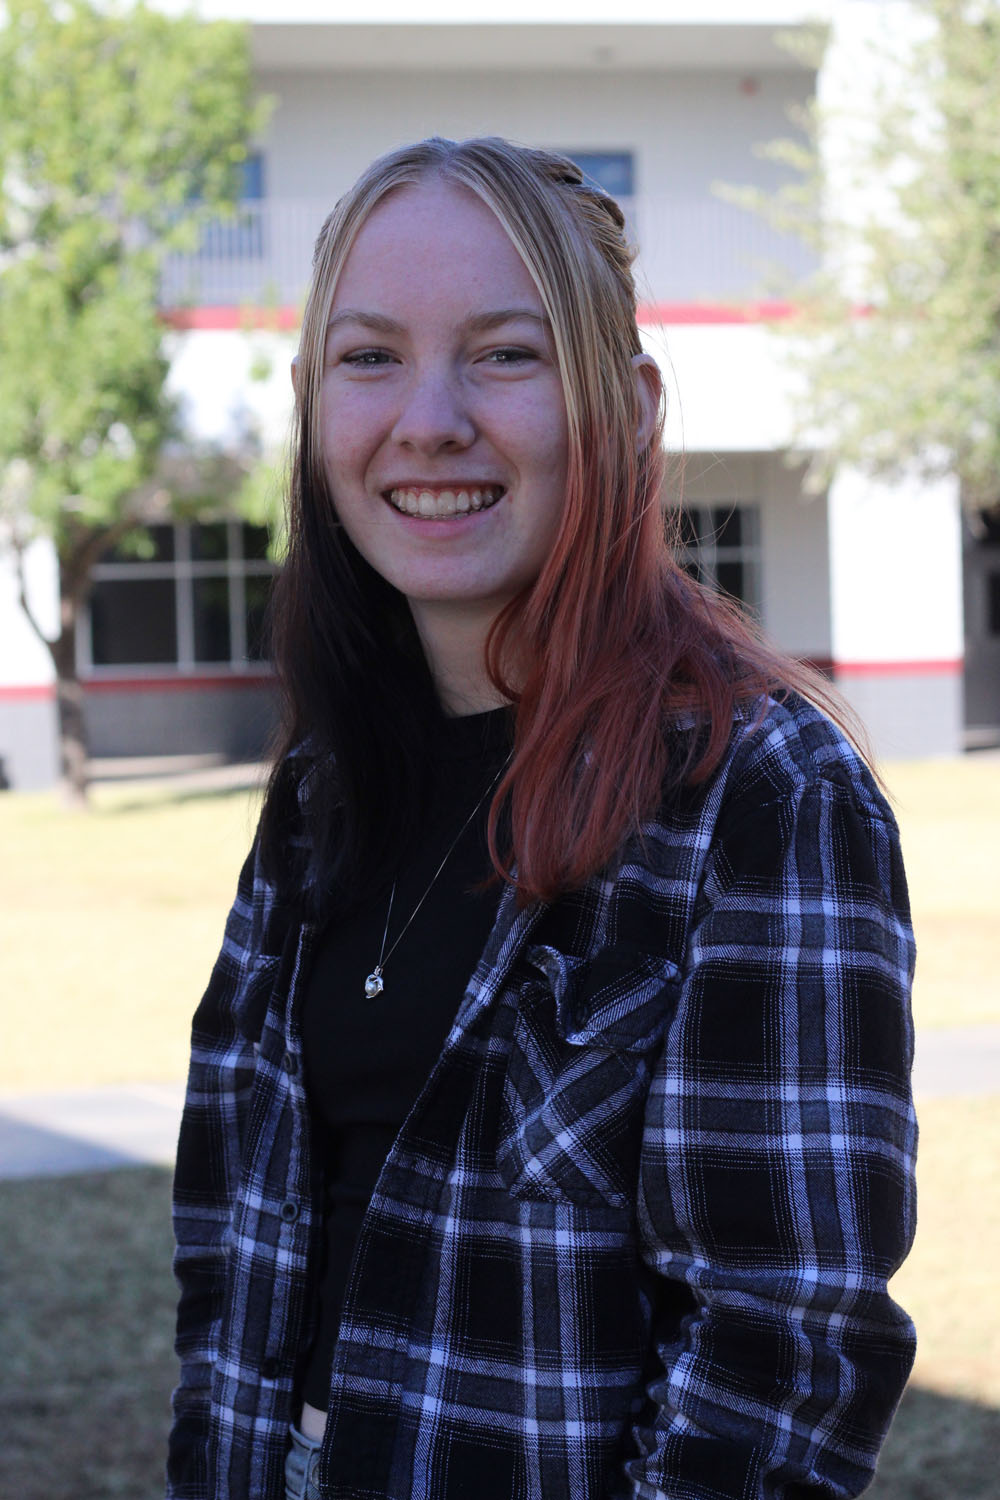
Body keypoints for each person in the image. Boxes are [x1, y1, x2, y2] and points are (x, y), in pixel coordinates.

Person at [167, 136, 917, 1500]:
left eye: (506, 354)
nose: (430, 418)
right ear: (311, 404)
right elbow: (229, 1245)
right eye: (370, 356)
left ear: (623, 406)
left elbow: (779, 1370)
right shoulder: (323, 788)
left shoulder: (761, 795)